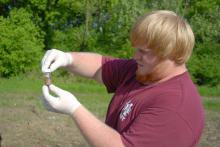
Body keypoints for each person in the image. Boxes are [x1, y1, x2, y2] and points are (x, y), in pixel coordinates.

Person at [40, 10, 205, 147]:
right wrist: (67, 58)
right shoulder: (142, 71)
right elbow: (101, 67)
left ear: (171, 53)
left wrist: (74, 109)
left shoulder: (175, 107)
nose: (135, 56)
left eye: (143, 52)